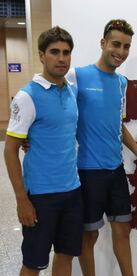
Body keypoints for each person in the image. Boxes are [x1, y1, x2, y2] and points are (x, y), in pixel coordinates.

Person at [66, 19, 137, 276]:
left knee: (122, 231)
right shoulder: (76, 76)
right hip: (87, 172)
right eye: (116, 44)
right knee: (87, 237)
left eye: (126, 46)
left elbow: (117, 124)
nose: (120, 52)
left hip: (116, 171)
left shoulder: (121, 83)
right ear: (103, 43)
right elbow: (56, 111)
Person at [3, 27, 82, 276]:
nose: (61, 58)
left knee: (66, 255)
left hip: (72, 191)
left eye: (66, 53)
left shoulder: (71, 90)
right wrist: (22, 201)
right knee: (33, 263)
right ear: (41, 55)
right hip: (40, 196)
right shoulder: (27, 96)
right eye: (54, 52)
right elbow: (10, 151)